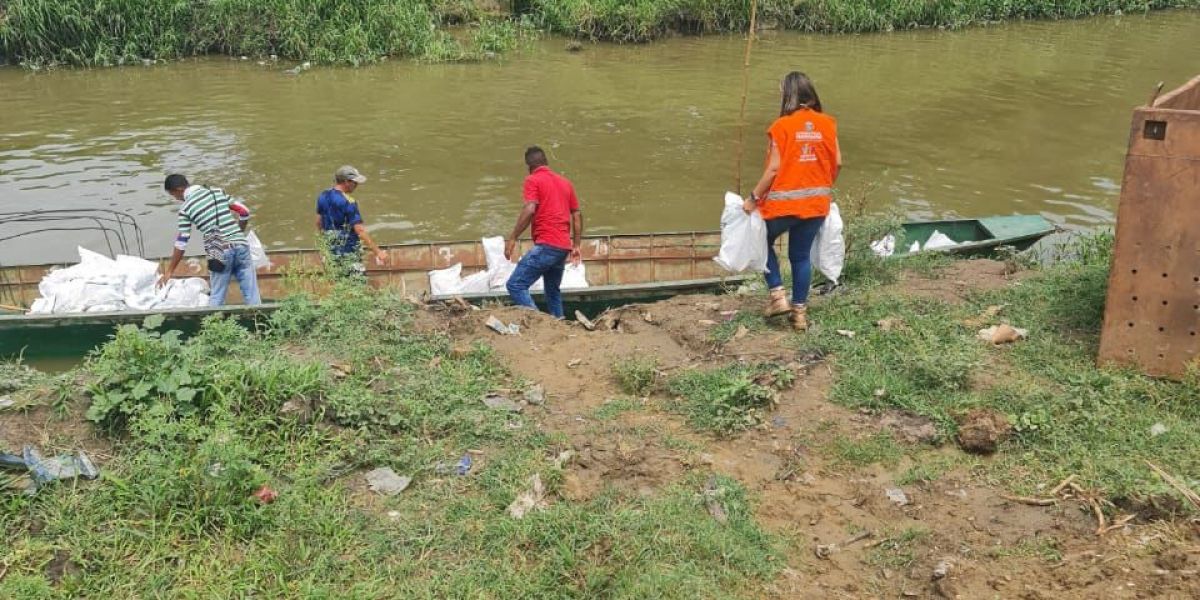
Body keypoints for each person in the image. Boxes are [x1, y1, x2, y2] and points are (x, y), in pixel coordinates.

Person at [743, 71, 842, 332]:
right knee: (800, 256)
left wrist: (753, 198)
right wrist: (820, 185)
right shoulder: (828, 124)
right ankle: (799, 314)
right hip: (816, 205)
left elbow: (774, 169)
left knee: (761, 241)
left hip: (783, 206)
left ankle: (777, 296)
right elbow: (838, 163)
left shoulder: (782, 126)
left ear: (789, 95)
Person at [157, 173, 261, 306]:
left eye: (174, 195)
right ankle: (260, 323)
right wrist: (237, 234)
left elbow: (181, 243)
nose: (177, 199)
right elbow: (244, 212)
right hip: (241, 245)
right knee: (251, 293)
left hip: (219, 250)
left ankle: (215, 324)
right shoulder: (216, 192)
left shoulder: (186, 209)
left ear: (179, 190)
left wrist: (169, 271)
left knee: (217, 296)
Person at [504, 146, 583, 319]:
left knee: (515, 285)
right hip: (563, 247)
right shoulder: (565, 182)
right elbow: (576, 214)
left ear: (529, 166)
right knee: (552, 291)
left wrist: (512, 238)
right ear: (546, 162)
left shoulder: (532, 180)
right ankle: (559, 323)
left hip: (547, 245)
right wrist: (576, 245)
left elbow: (530, 208)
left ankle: (540, 323)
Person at [315, 165, 387, 270]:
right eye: (355, 182)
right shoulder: (349, 202)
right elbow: (360, 230)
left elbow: (318, 223)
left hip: (330, 249)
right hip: (348, 251)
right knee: (356, 280)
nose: (357, 185)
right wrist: (378, 252)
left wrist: (324, 247)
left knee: (337, 279)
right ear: (346, 182)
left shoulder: (323, 195)